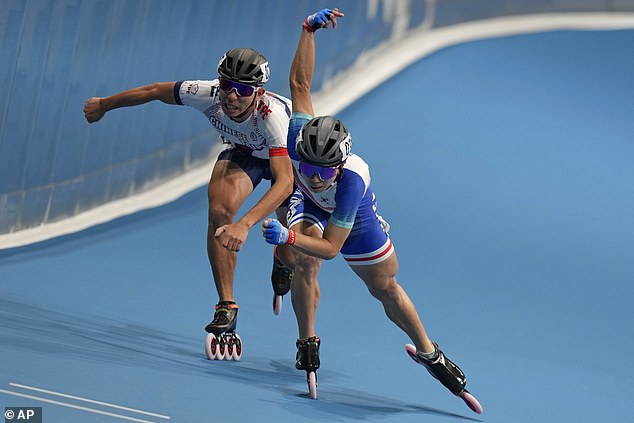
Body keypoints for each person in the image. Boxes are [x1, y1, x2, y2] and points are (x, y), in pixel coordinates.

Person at [261, 8, 482, 413]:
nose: (309, 174)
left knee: (384, 287)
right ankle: (307, 341)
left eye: (319, 170)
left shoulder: (352, 183)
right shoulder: (298, 139)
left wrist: (287, 236)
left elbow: (332, 248)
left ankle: (430, 354)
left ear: (339, 166)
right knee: (304, 260)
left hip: (353, 223)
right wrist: (307, 30)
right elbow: (299, 82)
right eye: (304, 165)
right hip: (309, 209)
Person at [83, 48, 296, 358]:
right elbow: (153, 91)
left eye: (244, 90)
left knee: (293, 249)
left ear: (259, 92)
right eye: (227, 86)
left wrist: (245, 224)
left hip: (289, 161)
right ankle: (226, 304)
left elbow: (285, 181)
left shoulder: (271, 117)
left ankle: (282, 256)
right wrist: (104, 105)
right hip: (245, 153)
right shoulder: (206, 93)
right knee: (219, 212)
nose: (232, 97)